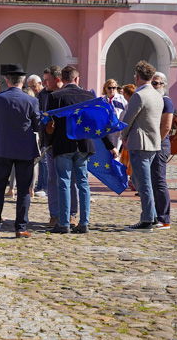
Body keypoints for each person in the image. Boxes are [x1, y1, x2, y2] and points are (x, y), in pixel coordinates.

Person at [47, 65, 116, 234]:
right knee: (83, 183)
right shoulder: (88, 96)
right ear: (77, 79)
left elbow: (50, 124)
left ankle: (64, 223)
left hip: (63, 144)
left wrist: (47, 142)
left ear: (62, 79)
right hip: (84, 145)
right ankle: (84, 222)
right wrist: (110, 146)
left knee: (64, 182)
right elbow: (98, 123)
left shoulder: (55, 96)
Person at [0, 64, 40, 238]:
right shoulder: (31, 100)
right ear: (23, 81)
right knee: (24, 189)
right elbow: (37, 125)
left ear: (6, 80)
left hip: (1, 147)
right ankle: (20, 227)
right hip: (24, 149)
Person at [120, 60, 164, 231]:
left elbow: (128, 119)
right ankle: (151, 216)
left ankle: (146, 219)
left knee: (142, 183)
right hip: (153, 141)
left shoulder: (139, 95)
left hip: (140, 142)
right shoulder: (156, 94)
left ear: (137, 77)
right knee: (145, 182)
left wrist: (123, 136)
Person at [38, 65, 62, 224]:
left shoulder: (65, 94)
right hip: (49, 142)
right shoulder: (43, 95)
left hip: (67, 142)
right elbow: (39, 116)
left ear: (57, 79)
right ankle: (54, 214)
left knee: (68, 180)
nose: (45, 83)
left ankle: (70, 213)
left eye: (47, 80)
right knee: (52, 179)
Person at [150, 72, 173, 228]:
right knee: (152, 181)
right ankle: (155, 215)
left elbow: (166, 126)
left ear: (163, 85)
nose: (154, 86)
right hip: (152, 143)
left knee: (159, 181)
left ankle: (164, 218)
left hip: (160, 144)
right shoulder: (155, 100)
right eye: (152, 83)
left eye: (157, 83)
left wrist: (156, 143)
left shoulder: (166, 101)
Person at [102, 78, 128, 150]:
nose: (112, 90)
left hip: (117, 129)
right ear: (105, 89)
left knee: (115, 151)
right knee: (106, 150)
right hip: (106, 129)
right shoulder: (102, 100)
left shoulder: (122, 99)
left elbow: (127, 112)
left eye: (114, 88)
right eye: (109, 88)